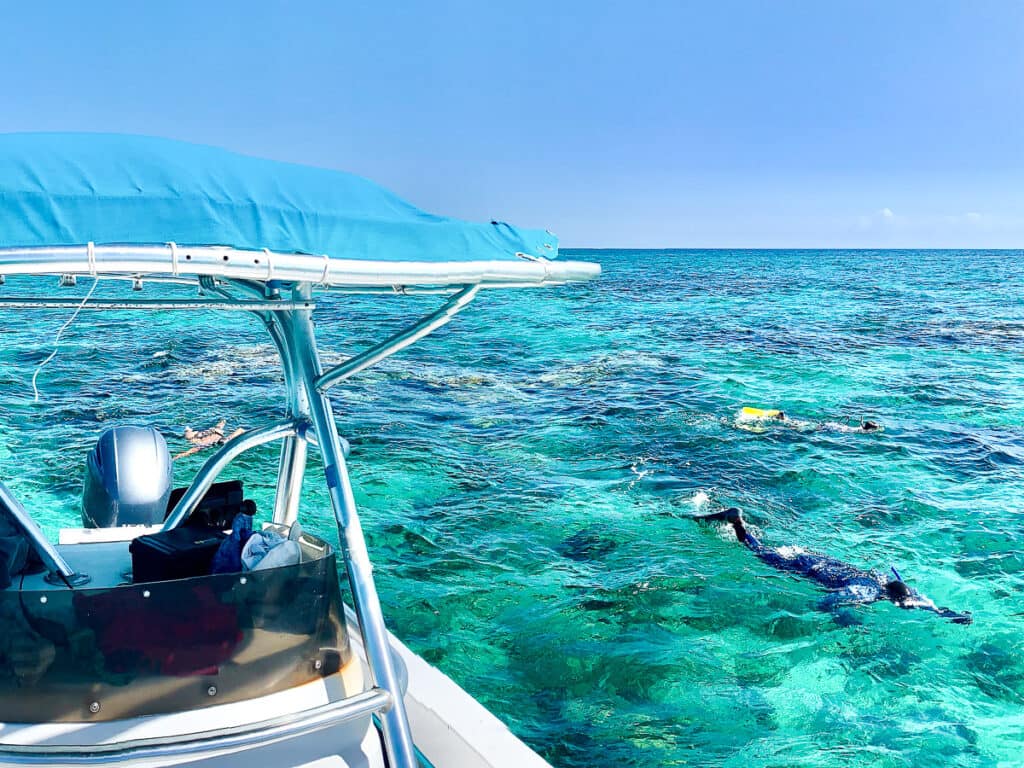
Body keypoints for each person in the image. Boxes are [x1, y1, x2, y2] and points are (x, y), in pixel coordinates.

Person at [695, 507, 972, 624]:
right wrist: (842, 619)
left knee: (769, 549)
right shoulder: (866, 592)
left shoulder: (881, 581)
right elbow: (827, 603)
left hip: (819, 559)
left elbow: (927, 605)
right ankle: (736, 522)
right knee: (756, 551)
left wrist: (949, 614)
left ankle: (739, 523)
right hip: (804, 567)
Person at [174, 419, 245, 460]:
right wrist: (176, 457)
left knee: (221, 426)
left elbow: (188, 452)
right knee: (237, 429)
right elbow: (187, 452)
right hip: (219, 438)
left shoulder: (199, 442)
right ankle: (225, 422)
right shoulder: (199, 444)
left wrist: (175, 458)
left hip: (218, 436)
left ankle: (224, 421)